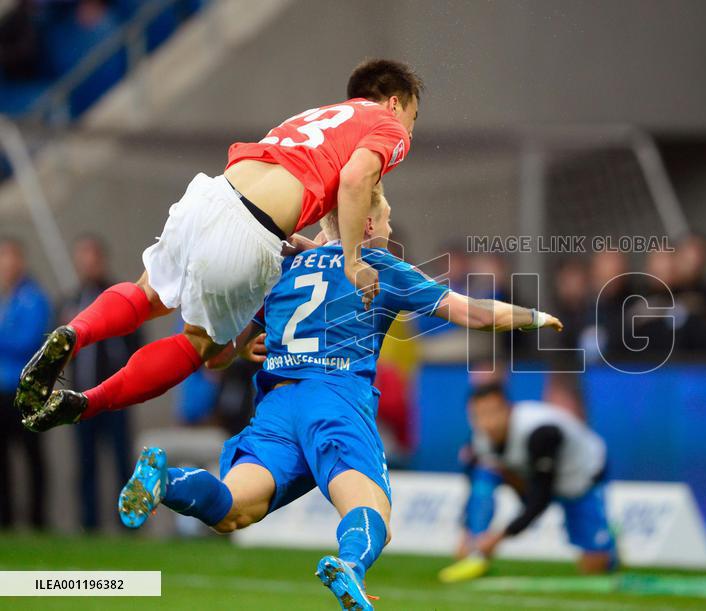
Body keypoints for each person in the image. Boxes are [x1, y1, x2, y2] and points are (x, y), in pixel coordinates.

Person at [114, 184, 563, 610]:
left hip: (279, 404)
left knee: (231, 510)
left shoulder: (282, 269)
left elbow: (215, 358)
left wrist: (246, 345)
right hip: (335, 397)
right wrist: (536, 317)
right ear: (366, 225)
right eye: (385, 219)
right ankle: (349, 565)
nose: (388, 229)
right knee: (371, 513)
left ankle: (166, 482)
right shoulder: (379, 267)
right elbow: (472, 312)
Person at [17, 58, 422, 433]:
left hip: (212, 196)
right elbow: (354, 181)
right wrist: (354, 261)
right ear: (393, 103)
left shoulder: (318, 117)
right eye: (413, 117)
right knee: (199, 345)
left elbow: (300, 189)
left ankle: (75, 330)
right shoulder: (388, 128)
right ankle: (86, 403)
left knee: (147, 294)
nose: (410, 130)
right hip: (252, 230)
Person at [439, 381, 614, 583]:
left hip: (580, 475)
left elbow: (540, 500)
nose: (488, 423)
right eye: (478, 416)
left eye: (493, 413)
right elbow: (472, 485)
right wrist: (467, 529)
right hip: (527, 472)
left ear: (508, 409)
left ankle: (608, 543)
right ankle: (475, 547)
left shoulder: (540, 432)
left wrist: (497, 538)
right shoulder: (478, 439)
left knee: (595, 568)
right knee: (483, 478)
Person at [63, 235, 141, 531]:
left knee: (122, 461)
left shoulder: (120, 298)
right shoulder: (70, 302)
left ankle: (129, 524)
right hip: (81, 397)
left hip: (116, 396)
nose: (88, 263)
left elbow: (136, 344)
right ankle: (89, 524)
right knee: (85, 463)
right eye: (83, 257)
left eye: (93, 257)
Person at [0, 238, 50, 529]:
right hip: (1, 390)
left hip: (25, 390)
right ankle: (5, 519)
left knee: (32, 455)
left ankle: (37, 520)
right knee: (3, 459)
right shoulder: (5, 299)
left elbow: (28, 342)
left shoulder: (33, 298)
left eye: (10, 257)